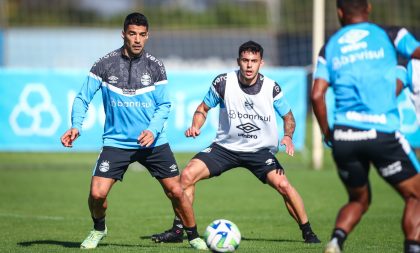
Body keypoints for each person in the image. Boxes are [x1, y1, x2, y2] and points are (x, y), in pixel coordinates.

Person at [60, 12, 207, 250]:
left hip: (154, 142)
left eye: (142, 35)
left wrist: (152, 129)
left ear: (147, 36)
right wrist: (76, 125)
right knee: (97, 194)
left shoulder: (155, 66)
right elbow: (82, 97)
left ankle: (193, 236)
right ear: (123, 34)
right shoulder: (104, 64)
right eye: (132, 34)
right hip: (116, 142)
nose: (137, 39)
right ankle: (99, 229)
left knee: (177, 191)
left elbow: (164, 105)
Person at [151, 40, 321, 244]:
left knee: (283, 185)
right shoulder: (223, 82)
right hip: (225, 148)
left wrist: (288, 136)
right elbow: (202, 109)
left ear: (261, 63)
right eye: (245, 60)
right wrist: (196, 125)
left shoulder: (271, 88)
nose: (249, 65)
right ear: (238, 61)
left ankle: (308, 232)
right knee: (186, 176)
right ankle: (179, 230)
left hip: (259, 151)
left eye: (254, 61)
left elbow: (289, 117)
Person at [311, 1, 420, 253]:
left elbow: (317, 95)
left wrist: (328, 132)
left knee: (358, 199)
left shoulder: (330, 46)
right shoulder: (391, 34)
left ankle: (336, 241)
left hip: (345, 137)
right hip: (382, 134)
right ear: (368, 8)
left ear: (340, 13)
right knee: (415, 196)